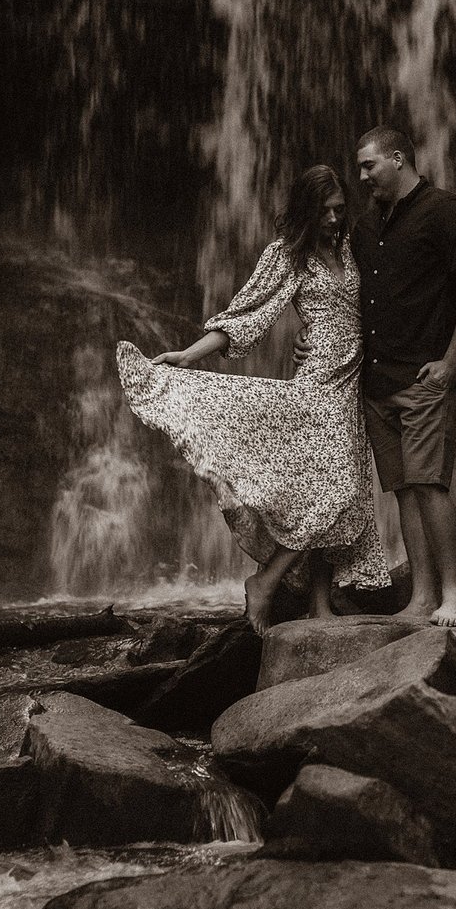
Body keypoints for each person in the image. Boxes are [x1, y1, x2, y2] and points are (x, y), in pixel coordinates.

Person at [117, 165, 390, 636]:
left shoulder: (353, 246)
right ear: (306, 210)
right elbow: (247, 315)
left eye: (339, 210)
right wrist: (188, 354)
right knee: (338, 488)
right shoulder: (289, 255)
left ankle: (319, 604)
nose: (332, 219)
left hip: (356, 380)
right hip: (319, 381)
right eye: (323, 211)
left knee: (337, 489)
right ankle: (266, 581)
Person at [297, 127, 456, 626]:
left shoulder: (446, 211)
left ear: (398, 158)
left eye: (368, 166)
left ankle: (453, 595)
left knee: (430, 484)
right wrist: (306, 331)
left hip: (425, 375)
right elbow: (336, 290)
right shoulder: (365, 228)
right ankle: (422, 598)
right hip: (376, 380)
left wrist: (452, 362)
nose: (361, 177)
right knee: (405, 488)